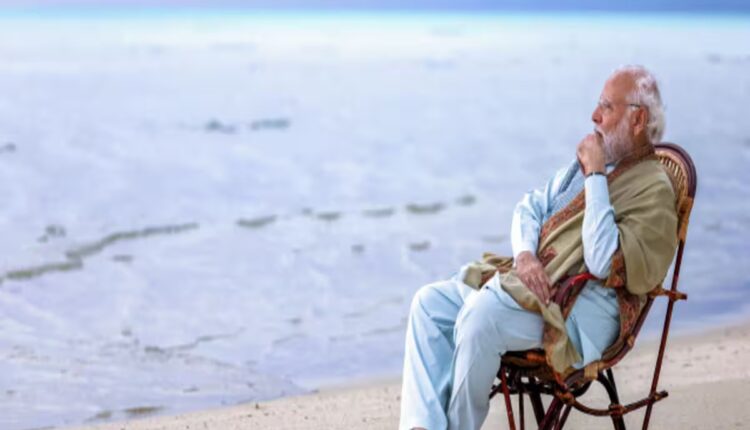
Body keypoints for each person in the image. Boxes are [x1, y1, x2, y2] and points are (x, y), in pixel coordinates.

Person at [399, 65, 679, 430]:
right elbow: (530, 206)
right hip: (539, 292)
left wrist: (596, 175)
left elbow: (603, 261)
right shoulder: (587, 168)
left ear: (637, 119)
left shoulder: (653, 189)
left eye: (607, 107)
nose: (594, 116)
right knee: (429, 304)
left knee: (480, 317)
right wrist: (526, 256)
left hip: (579, 314)